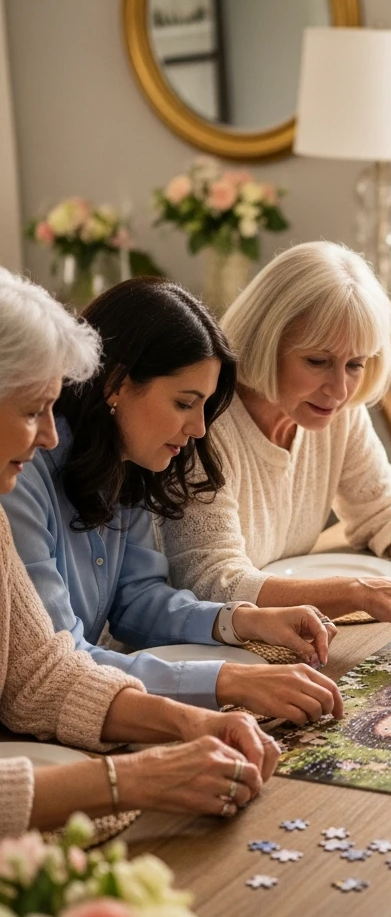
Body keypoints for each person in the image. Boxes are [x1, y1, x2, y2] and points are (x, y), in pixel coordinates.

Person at [0, 271, 279, 838]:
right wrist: (131, 778)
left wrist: (190, 719)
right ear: (117, 386)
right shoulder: (20, 483)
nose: (50, 435)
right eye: (32, 411)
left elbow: (42, 676)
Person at [1, 277, 343, 727]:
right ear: (117, 384)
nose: (199, 428)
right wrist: (226, 680)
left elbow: (136, 598)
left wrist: (243, 621)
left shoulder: (124, 458)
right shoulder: (18, 472)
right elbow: (62, 665)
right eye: (184, 403)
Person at [161, 241, 391, 646]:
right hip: (186, 649)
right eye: (317, 362)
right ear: (266, 341)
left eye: (356, 364)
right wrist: (360, 593)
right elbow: (213, 582)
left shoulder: (336, 411)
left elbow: (382, 508)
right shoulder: (202, 422)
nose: (339, 390)